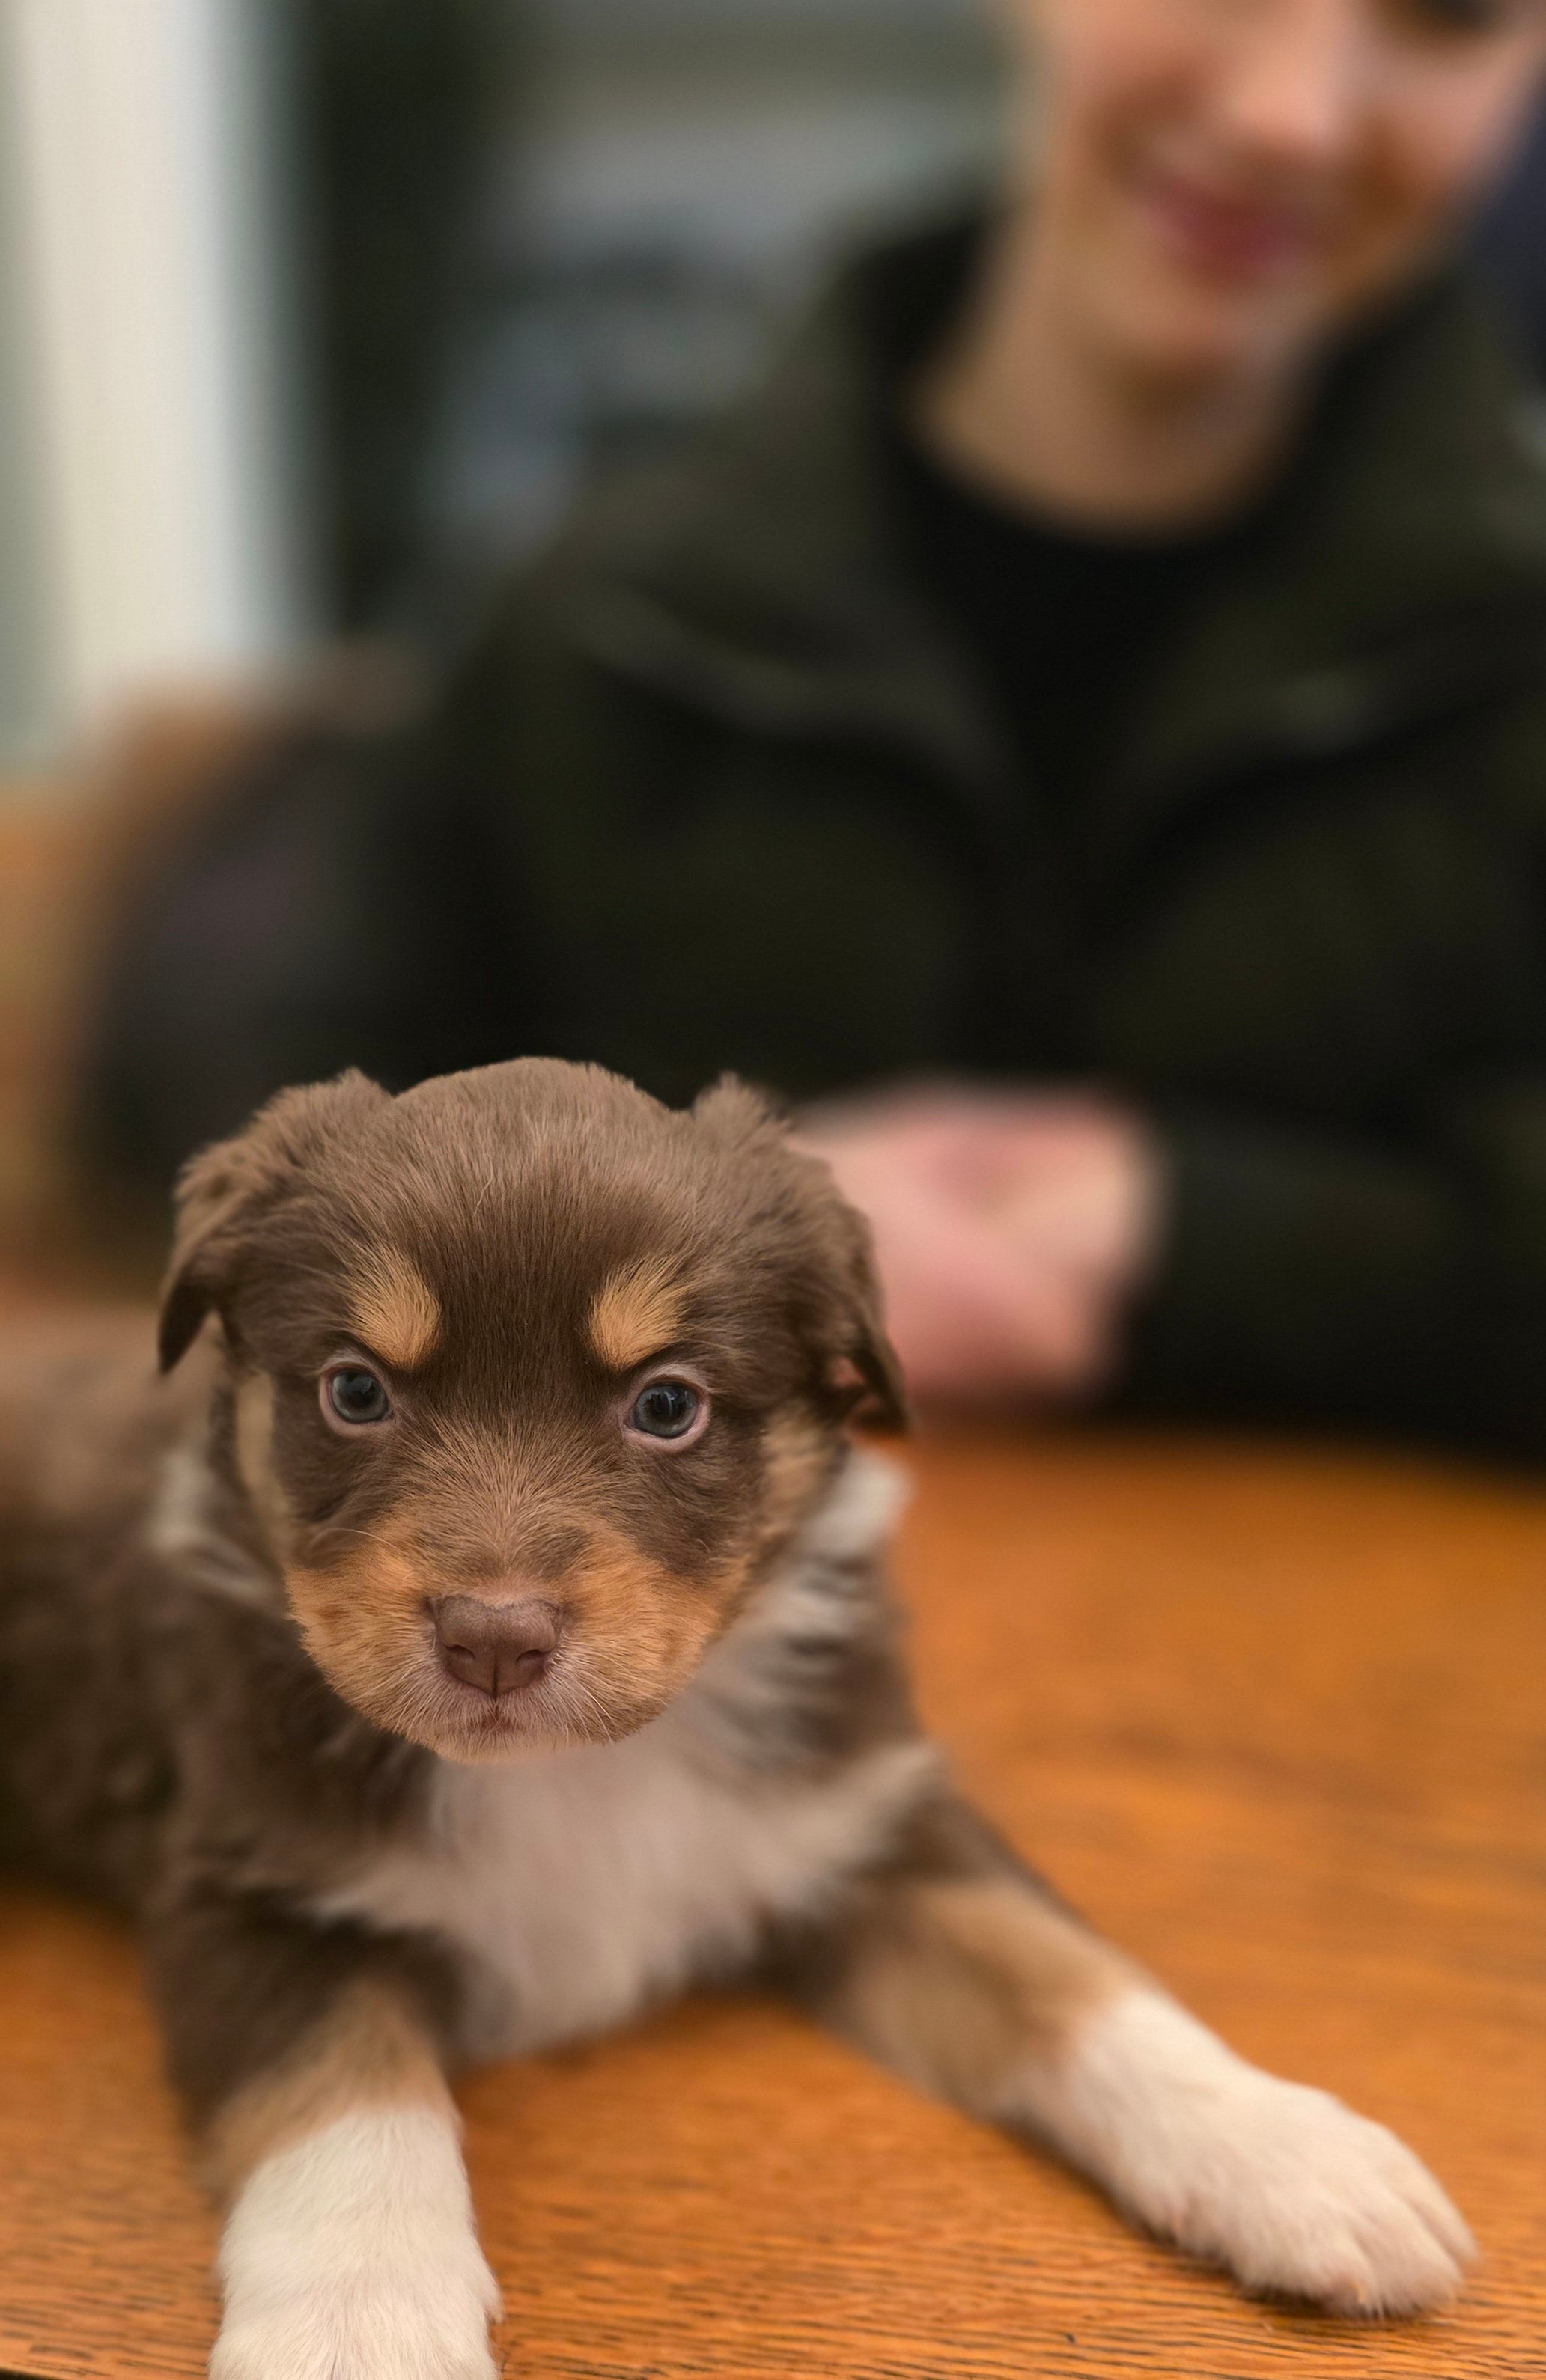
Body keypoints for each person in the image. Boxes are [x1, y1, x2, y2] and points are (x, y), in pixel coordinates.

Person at [88, 0, 1546, 1456]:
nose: (1288, 112)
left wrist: (1196, 1236)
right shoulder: (613, 615)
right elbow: (239, 1046)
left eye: (1448, 15)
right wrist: (694, 1228)